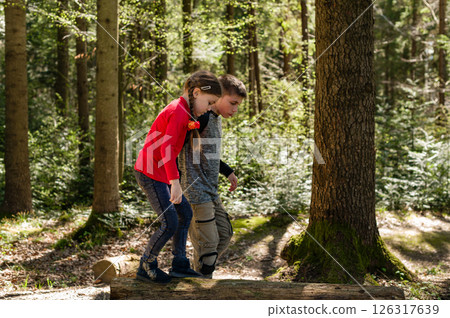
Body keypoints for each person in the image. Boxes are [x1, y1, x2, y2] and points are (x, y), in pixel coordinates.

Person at [134, 70, 222, 283]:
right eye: (209, 102)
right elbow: (165, 149)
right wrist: (175, 183)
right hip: (150, 171)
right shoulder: (178, 111)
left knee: (184, 214)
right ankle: (147, 263)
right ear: (196, 93)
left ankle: (179, 263)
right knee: (170, 221)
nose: (210, 108)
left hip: (161, 172)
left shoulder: (186, 111)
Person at [178, 74, 247, 278]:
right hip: (195, 193)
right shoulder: (203, 116)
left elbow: (208, 153)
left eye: (238, 105)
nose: (235, 109)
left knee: (224, 235)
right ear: (218, 95)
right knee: (208, 251)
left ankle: (196, 274)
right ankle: (200, 289)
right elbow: (178, 144)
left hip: (211, 191)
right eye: (232, 103)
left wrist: (228, 172)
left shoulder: (216, 119)